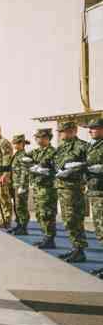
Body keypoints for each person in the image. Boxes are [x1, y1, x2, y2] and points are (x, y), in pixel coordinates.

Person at [53, 120, 89, 262]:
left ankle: (80, 250)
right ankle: (75, 248)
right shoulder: (62, 147)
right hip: (62, 187)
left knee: (75, 219)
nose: (61, 134)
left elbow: (88, 165)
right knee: (68, 220)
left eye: (64, 131)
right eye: (60, 131)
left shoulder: (82, 146)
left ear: (73, 131)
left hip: (74, 189)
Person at [28, 128, 58, 249]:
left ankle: (50, 238)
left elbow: (58, 170)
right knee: (40, 214)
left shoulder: (53, 152)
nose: (39, 139)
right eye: (37, 137)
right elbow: (23, 160)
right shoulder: (35, 152)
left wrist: (46, 171)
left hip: (48, 187)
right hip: (37, 186)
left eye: (42, 137)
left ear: (48, 138)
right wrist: (31, 165)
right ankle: (45, 237)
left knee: (48, 213)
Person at [83, 118, 103, 276]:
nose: (90, 131)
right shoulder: (92, 146)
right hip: (95, 192)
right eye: (89, 129)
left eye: (93, 128)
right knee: (99, 230)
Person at [8, 134, 33, 235]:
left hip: (20, 185)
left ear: (22, 143)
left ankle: (23, 227)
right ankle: (19, 225)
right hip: (15, 184)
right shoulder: (17, 154)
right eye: (14, 143)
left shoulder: (23, 155)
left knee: (21, 206)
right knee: (17, 206)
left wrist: (22, 186)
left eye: (17, 143)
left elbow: (25, 171)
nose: (15, 145)